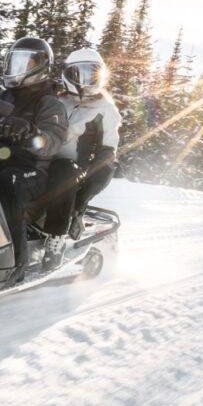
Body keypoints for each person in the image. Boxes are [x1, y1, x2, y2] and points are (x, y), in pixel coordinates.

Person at [0, 37, 68, 281]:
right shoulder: (5, 96)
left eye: (26, 63)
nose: (18, 68)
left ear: (41, 66)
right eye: (15, 62)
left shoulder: (50, 103)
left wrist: (30, 133)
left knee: (8, 183)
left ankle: (15, 266)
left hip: (33, 170)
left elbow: (51, 142)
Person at [40, 47, 122, 268]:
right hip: (43, 158)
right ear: (68, 74)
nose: (84, 80)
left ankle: (55, 239)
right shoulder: (58, 100)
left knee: (63, 169)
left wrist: (82, 200)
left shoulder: (106, 109)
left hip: (74, 168)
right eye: (79, 74)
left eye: (91, 74)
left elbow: (107, 150)